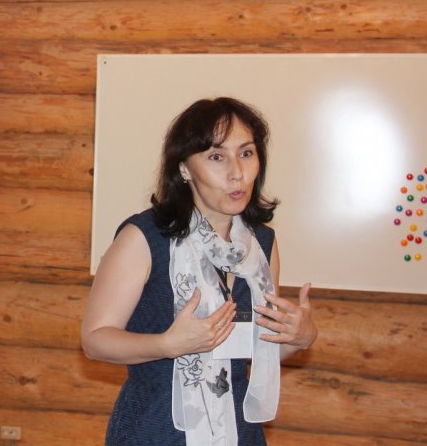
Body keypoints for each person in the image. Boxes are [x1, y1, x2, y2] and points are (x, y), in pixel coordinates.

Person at [81, 97, 317, 445]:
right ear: (184, 169)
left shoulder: (262, 244)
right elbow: (95, 340)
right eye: (216, 157)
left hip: (239, 431)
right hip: (156, 430)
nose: (237, 172)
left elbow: (259, 349)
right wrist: (167, 344)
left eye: (246, 153)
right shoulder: (144, 237)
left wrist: (299, 337)